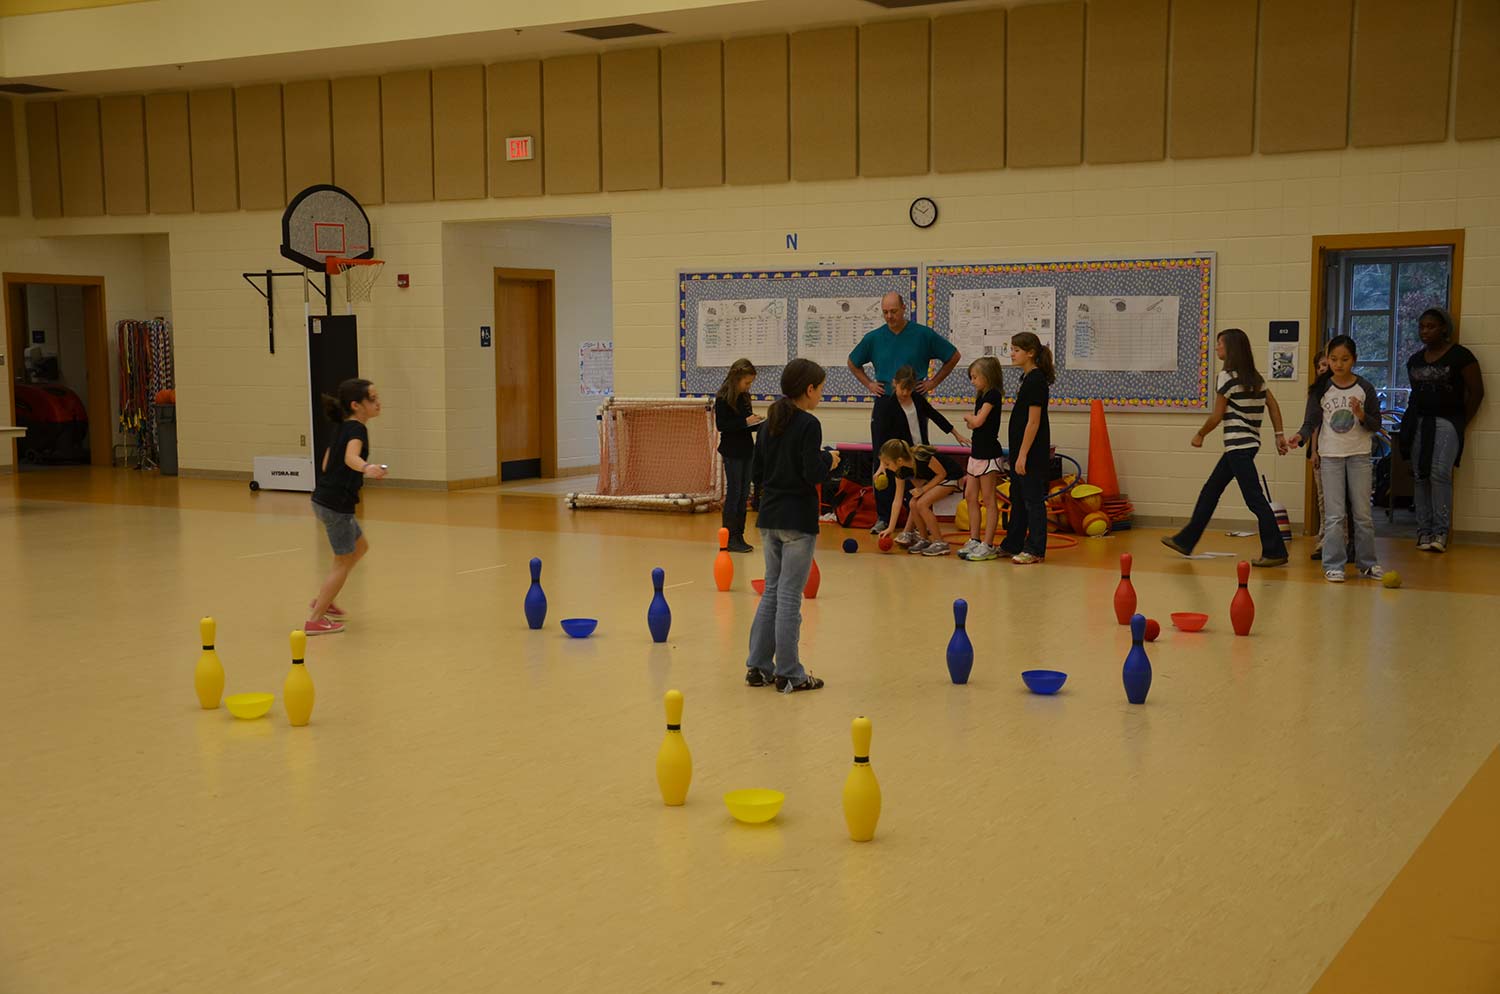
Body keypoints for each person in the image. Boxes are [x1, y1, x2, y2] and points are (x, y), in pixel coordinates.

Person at [745, 358, 839, 693]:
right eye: (821, 389)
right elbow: (812, 472)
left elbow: (757, 472)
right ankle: (789, 673)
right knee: (788, 596)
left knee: (772, 590)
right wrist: (829, 459)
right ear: (809, 389)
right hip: (797, 519)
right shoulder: (808, 424)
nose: (821, 396)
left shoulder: (770, 422)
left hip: (769, 518)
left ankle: (758, 667)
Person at [1161, 328, 1290, 567]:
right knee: (1211, 490)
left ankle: (1275, 551)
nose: (1217, 348)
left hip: (1238, 447)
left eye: (1220, 344)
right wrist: (1279, 434)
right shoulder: (1255, 378)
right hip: (1246, 446)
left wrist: (1200, 434)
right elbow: (1273, 405)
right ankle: (1186, 540)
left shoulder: (1227, 377)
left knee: (1255, 500)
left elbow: (1217, 414)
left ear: (1230, 348)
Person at [847, 292, 961, 534]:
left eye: (894, 311)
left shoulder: (923, 334)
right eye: (885, 312)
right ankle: (884, 516)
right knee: (884, 457)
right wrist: (869, 384)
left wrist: (933, 383)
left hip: (913, 398)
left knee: (918, 455)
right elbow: (852, 362)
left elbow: (953, 356)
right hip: (886, 400)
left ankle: (918, 512)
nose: (889, 316)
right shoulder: (874, 337)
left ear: (904, 309)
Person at [1289, 335, 1383, 582]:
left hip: (1359, 455)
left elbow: (1375, 424)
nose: (1338, 364)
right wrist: (1300, 438)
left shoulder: (1365, 388)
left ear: (1354, 360)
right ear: (1327, 360)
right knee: (1334, 514)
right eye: (1333, 359)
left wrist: (1361, 414)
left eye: (1344, 359)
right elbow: (1311, 421)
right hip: (1331, 456)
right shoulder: (1321, 389)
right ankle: (1334, 565)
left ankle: (1367, 563)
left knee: (1362, 514)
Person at [307, 378, 388, 634]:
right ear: (356, 405)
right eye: (372, 399)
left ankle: (325, 599)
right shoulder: (357, 431)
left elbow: (327, 463)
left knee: (360, 547)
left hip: (324, 499)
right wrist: (366, 467)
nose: (378, 402)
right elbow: (350, 457)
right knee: (342, 562)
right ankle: (316, 618)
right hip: (336, 506)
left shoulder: (344, 426)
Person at [1400, 307, 1484, 553]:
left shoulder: (1461, 356)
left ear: (1444, 328)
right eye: (1422, 326)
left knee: (1439, 473)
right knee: (1420, 474)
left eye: (1431, 326)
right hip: (1420, 422)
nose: (1425, 331)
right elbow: (1415, 395)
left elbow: (1477, 392)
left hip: (1448, 421)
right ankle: (1423, 531)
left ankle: (1441, 532)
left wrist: (1461, 422)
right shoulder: (1414, 360)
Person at [871, 364, 970, 546]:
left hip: (921, 454)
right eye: (902, 389)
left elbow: (935, 416)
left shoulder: (916, 399)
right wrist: (882, 465)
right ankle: (914, 534)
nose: (905, 393)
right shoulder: (888, 406)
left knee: (920, 499)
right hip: (904, 454)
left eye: (909, 389)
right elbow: (883, 437)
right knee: (914, 499)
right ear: (894, 384)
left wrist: (956, 433)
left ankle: (926, 537)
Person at [997, 333, 1054, 565]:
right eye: (1011, 349)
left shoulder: (1036, 380)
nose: (1012, 353)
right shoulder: (1027, 378)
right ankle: (1014, 543)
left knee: (1032, 500)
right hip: (1022, 450)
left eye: (1016, 349)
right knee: (1018, 498)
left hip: (1031, 453)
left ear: (1030, 353)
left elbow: (1033, 421)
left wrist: (1021, 455)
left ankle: (1036, 549)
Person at [875, 438, 963, 556]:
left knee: (922, 504)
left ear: (899, 460)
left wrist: (922, 490)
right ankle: (924, 539)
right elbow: (897, 500)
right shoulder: (900, 471)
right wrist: (890, 528)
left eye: (887, 464)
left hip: (951, 476)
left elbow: (942, 474)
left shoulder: (921, 455)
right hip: (934, 479)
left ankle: (940, 543)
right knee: (913, 503)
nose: (885, 468)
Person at [957, 356, 1005, 561]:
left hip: (988, 455)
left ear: (987, 375)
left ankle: (988, 543)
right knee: (970, 496)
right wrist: (973, 422)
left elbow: (977, 421)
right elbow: (977, 424)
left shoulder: (993, 395)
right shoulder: (981, 395)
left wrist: (969, 418)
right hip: (976, 453)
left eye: (975, 377)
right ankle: (974, 539)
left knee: (988, 499)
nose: (973, 381)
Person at [714, 358, 764, 553]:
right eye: (747, 382)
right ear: (736, 379)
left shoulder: (744, 397)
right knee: (734, 493)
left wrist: (759, 423)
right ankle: (728, 537)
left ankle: (739, 535)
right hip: (732, 451)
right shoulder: (723, 398)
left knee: (744, 494)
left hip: (746, 449)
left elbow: (745, 423)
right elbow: (723, 425)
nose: (748, 386)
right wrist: (745, 422)